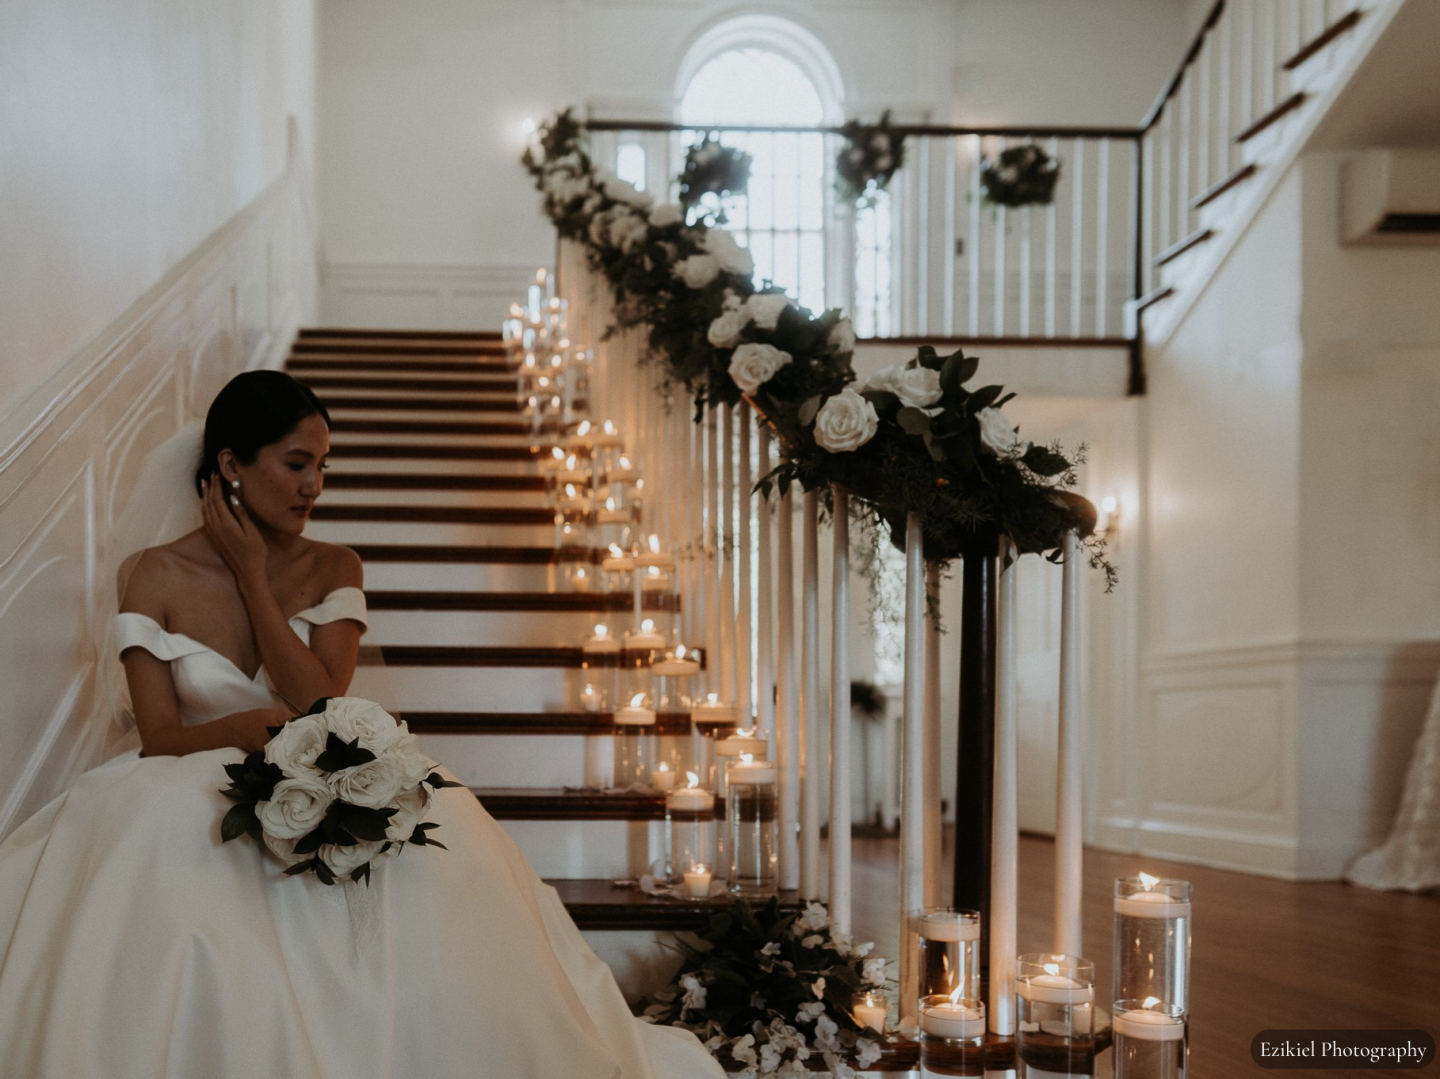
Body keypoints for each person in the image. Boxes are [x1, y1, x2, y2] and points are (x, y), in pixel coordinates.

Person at [0, 371, 722, 1078]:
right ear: (230, 465)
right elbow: (158, 735)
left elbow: (319, 701)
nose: (314, 485)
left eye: (323, 465)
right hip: (186, 774)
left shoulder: (333, 564)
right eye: (294, 463)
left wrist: (252, 576)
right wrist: (237, 728)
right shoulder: (151, 573)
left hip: (326, 762)